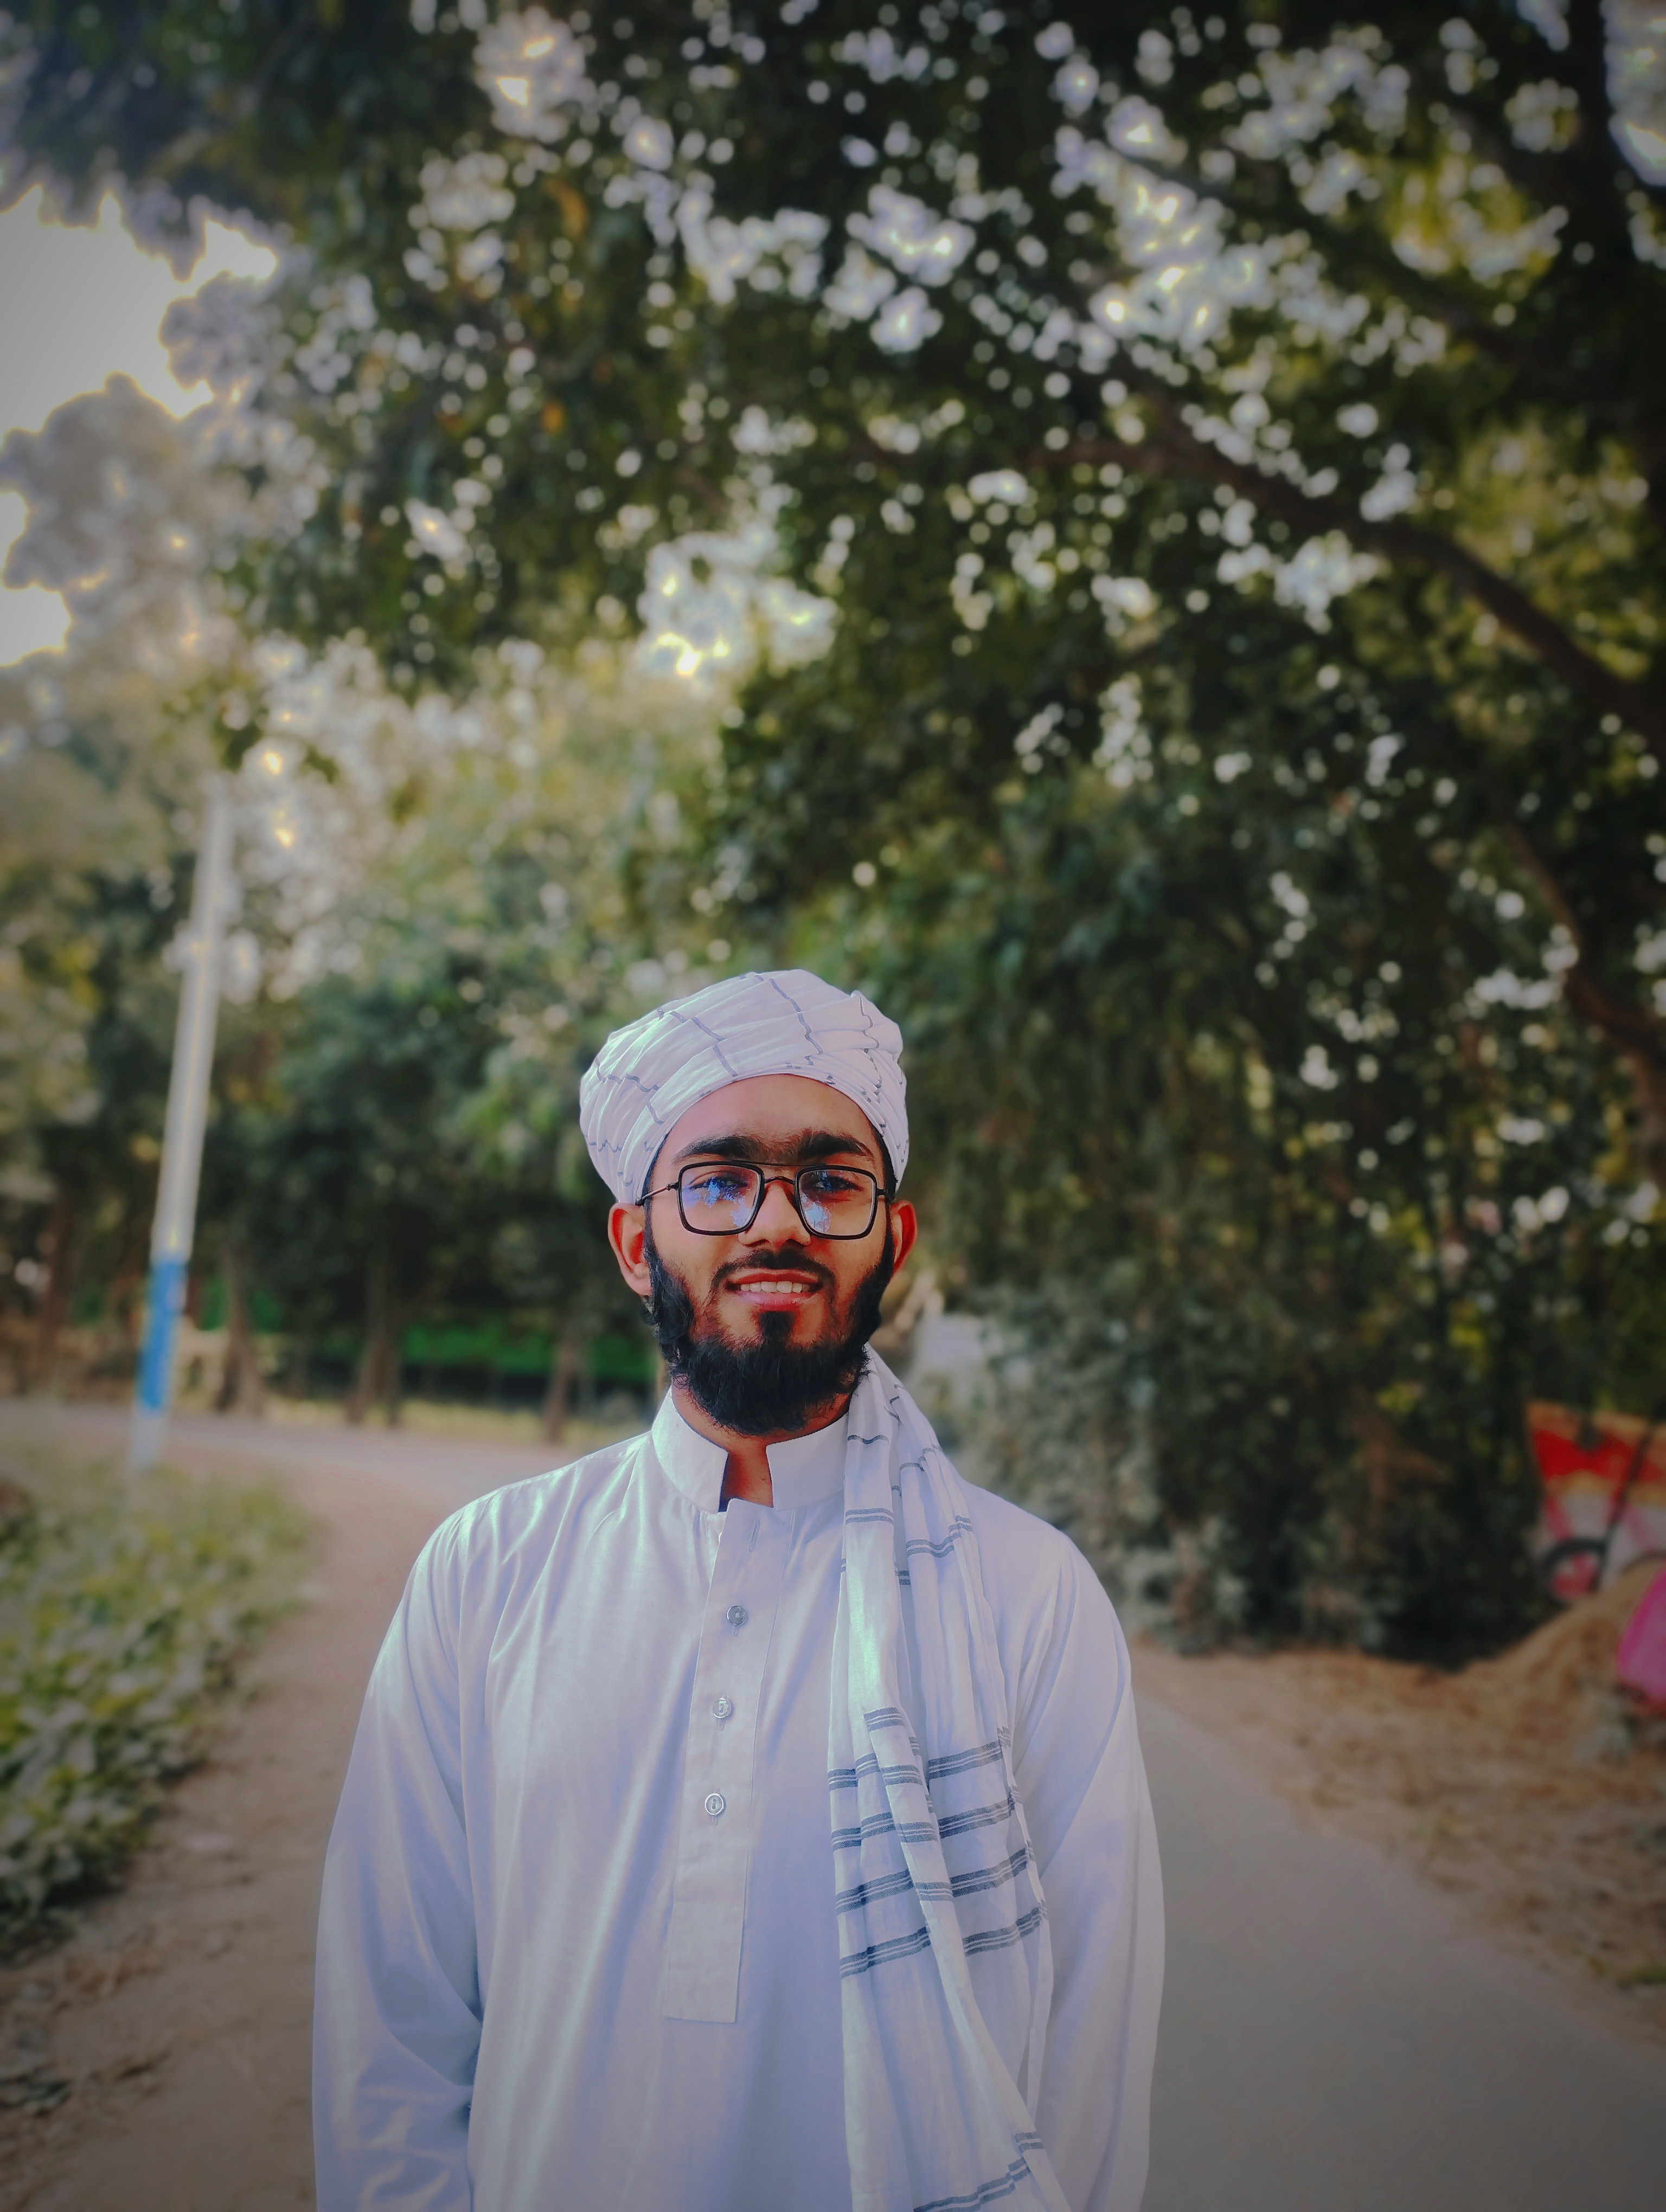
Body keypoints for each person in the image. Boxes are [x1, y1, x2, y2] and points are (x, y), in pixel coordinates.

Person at [312, 968, 1164, 2212]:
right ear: (635, 1245)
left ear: (894, 1239)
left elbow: (1090, 2060)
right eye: (716, 1181)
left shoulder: (1030, 1597)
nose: (778, 1224)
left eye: (831, 1181)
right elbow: (388, 2028)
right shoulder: (487, 1570)